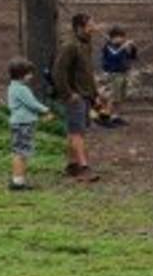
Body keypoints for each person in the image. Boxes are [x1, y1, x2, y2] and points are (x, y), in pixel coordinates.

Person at [52, 13, 101, 182]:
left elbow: (87, 73)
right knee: (77, 132)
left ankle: (72, 164)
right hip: (76, 96)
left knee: (76, 131)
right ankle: (83, 167)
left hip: (85, 94)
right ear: (80, 27)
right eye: (91, 24)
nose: (94, 27)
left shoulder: (86, 44)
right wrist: (68, 94)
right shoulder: (70, 46)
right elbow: (58, 71)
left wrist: (95, 94)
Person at [7, 57, 54, 191]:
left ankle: (18, 180)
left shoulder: (13, 87)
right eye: (29, 73)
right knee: (21, 153)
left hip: (19, 123)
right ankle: (18, 182)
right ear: (21, 75)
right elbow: (32, 104)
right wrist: (46, 110)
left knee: (20, 152)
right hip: (23, 124)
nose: (31, 76)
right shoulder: (22, 89)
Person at [99, 25, 136, 128]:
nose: (122, 39)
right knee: (113, 97)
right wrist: (123, 47)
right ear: (113, 37)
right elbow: (114, 56)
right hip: (114, 74)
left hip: (123, 73)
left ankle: (115, 116)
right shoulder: (109, 47)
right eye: (119, 37)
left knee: (120, 97)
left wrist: (133, 48)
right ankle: (105, 117)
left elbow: (132, 57)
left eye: (123, 37)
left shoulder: (121, 47)